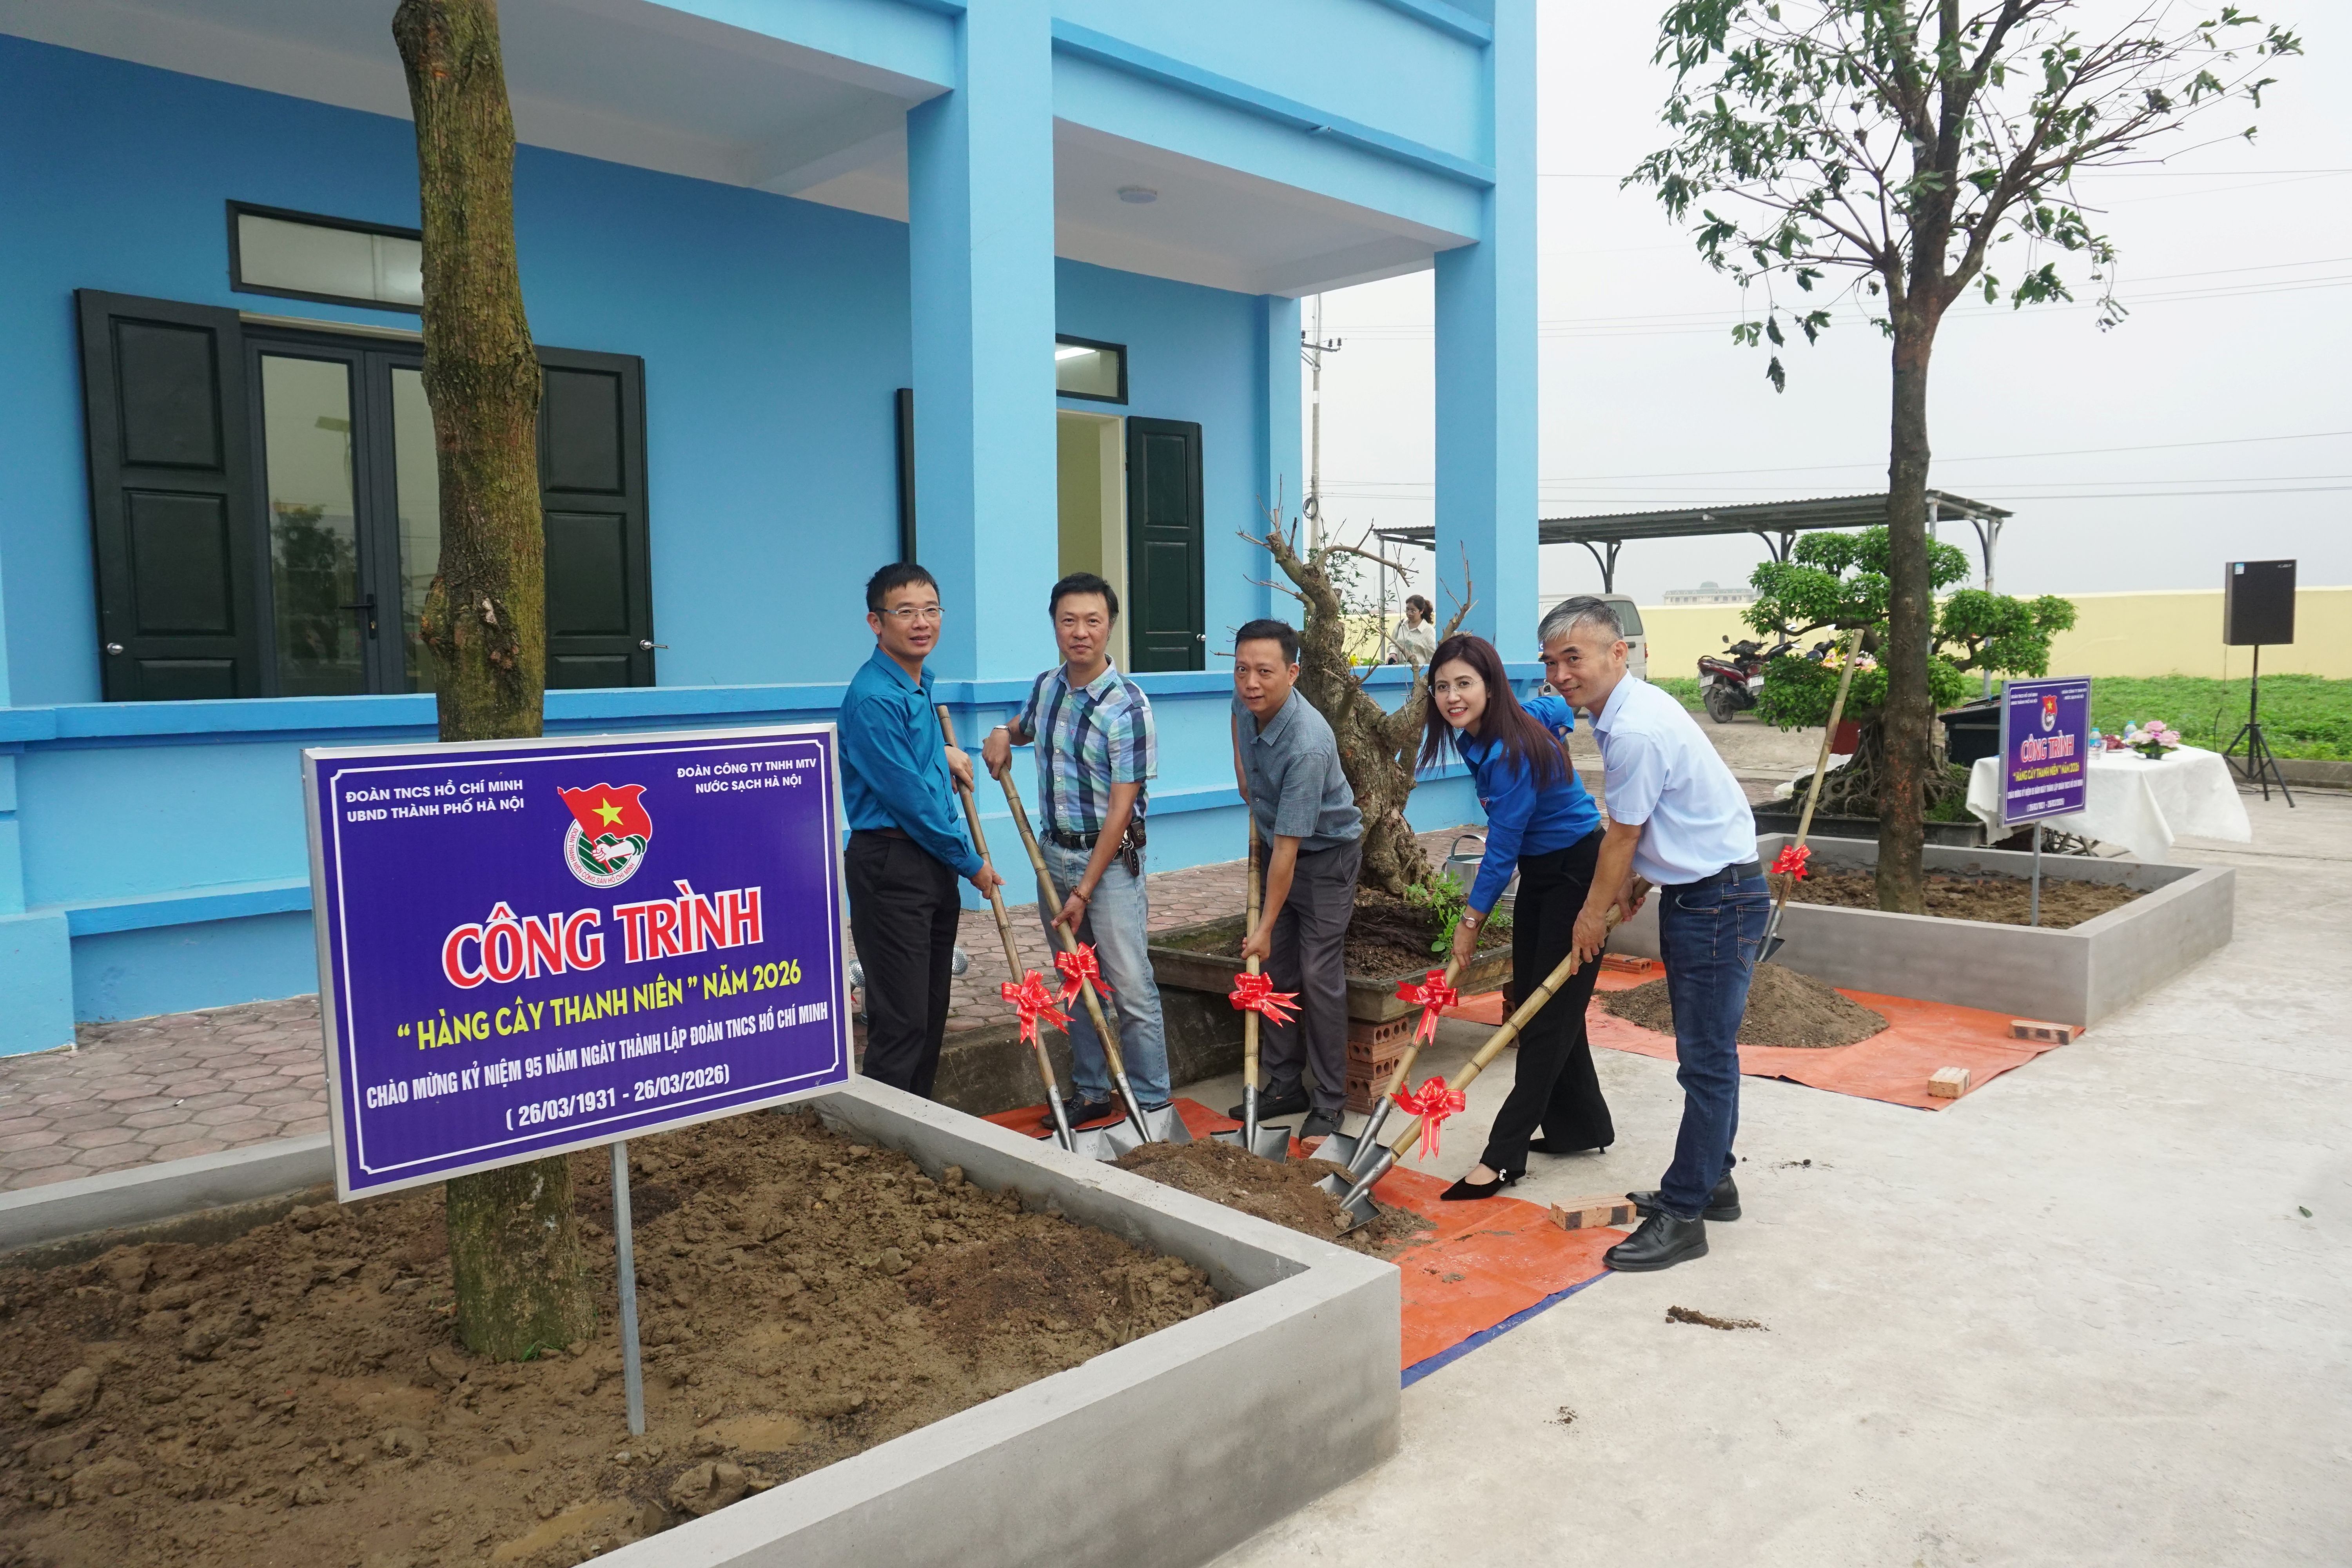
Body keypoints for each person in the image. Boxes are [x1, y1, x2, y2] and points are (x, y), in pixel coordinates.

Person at [1541, 595, 1763, 1272]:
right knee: (1708, 1055)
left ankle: (1685, 1213)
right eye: (1550, 663)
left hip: (1717, 901)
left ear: (1618, 653)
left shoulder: (1634, 727)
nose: (1560, 675)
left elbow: (1624, 833)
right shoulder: (1629, 711)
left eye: (1573, 658)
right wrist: (1644, 878)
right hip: (1708, 890)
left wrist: (1592, 913)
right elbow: (1665, 815)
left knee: (1706, 1060)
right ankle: (1713, 1181)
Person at [1418, 632, 1610, 1200]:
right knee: (1539, 997)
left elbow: (1500, 850)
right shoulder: (1496, 726)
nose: (1453, 697)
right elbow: (1556, 708)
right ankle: (1582, 1125)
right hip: (1543, 870)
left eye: (1465, 684)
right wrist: (1560, 728)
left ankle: (1503, 1156)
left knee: (1542, 1014)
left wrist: (1469, 924)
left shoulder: (1507, 752)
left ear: (1491, 685)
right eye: (1442, 686)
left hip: (1579, 872)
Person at [980, 573, 1170, 1126]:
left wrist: (1084, 889)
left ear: (1110, 626)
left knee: (1129, 984)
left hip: (1108, 864)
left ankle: (1152, 1102)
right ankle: (1091, 1091)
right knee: (1075, 977)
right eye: (1069, 621)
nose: (1080, 632)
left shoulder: (1128, 706)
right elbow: (1024, 727)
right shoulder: (1048, 687)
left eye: (1092, 621)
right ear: (1055, 626)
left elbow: (1121, 811)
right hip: (1053, 855)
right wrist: (1001, 733)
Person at [838, 563, 1003, 1099]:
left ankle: (921, 1124)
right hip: (893, 866)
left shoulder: (914, 685)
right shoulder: (875, 698)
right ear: (876, 622)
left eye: (931, 610)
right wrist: (971, 863)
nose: (921, 622)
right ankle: (882, 1136)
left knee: (930, 1013)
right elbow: (909, 800)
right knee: (901, 1020)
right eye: (905, 612)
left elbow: (913, 765)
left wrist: (944, 754)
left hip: (927, 861)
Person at [1229, 618, 1363, 1141]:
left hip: (1326, 859)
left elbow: (1288, 851)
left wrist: (1263, 926)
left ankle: (1330, 1101)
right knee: (1275, 969)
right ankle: (1285, 1083)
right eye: (1242, 670)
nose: (1251, 683)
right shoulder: (1245, 700)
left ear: (1293, 673)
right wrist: (1247, 780)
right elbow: (1235, 718)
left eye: (1265, 672)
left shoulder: (1308, 744)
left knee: (1317, 973)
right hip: (1280, 850)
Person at [1392, 594, 1437, 668]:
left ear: (1421, 611)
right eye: (1407, 610)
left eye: (1413, 611)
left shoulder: (1428, 631)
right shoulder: (1401, 625)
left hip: (1418, 672)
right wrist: (1393, 654)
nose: (1409, 613)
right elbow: (1393, 642)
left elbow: (1433, 657)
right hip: (1399, 671)